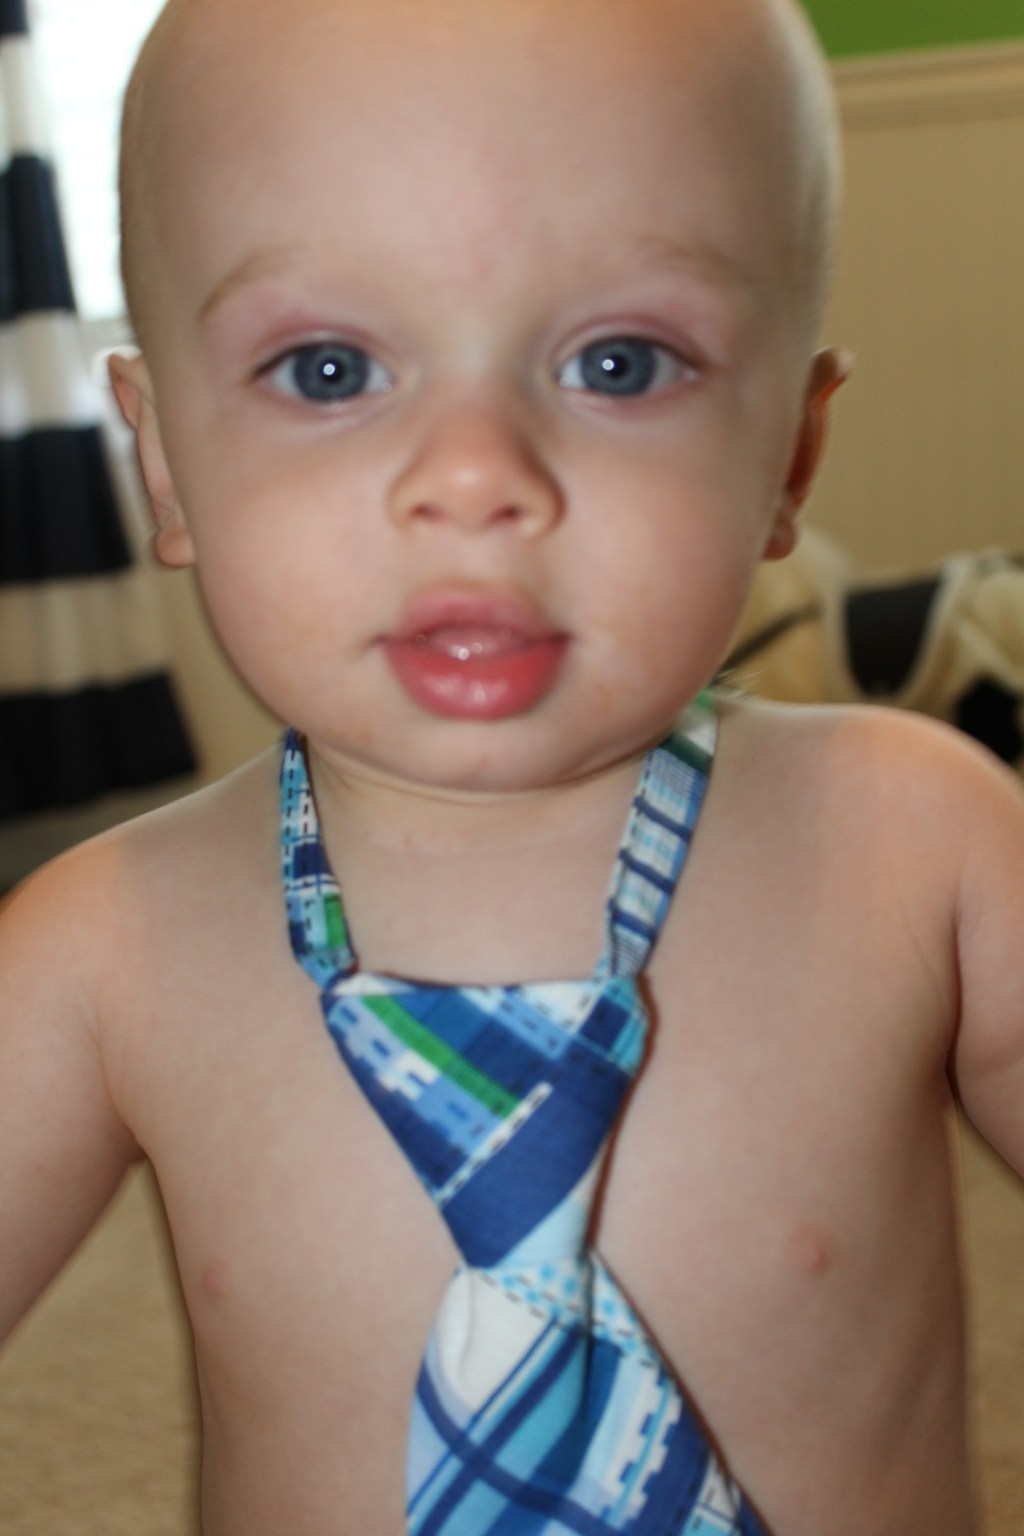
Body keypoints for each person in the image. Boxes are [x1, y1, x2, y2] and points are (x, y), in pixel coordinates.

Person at [1, 0, 1022, 1531]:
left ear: (790, 456)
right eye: (328, 370)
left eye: (619, 361)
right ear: (164, 460)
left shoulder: (920, 841)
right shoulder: (96, 953)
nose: (474, 477)